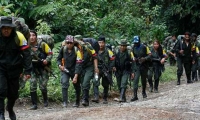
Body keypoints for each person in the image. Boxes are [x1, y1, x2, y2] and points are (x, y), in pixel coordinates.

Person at [0, 16, 32, 120]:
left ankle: (10, 108)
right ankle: (1, 113)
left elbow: (26, 54)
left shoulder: (19, 36)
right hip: (1, 69)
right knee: (1, 90)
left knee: (13, 93)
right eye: (4, 27)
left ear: (12, 28)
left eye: (8, 28)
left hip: (15, 69)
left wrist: (28, 70)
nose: (6, 30)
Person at [29, 30, 53, 110]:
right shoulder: (27, 46)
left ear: (36, 36)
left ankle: (45, 101)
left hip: (43, 68)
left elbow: (50, 53)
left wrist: (47, 60)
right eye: (30, 35)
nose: (31, 37)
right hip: (33, 68)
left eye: (33, 35)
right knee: (32, 85)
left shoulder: (42, 44)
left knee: (43, 86)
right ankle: (34, 104)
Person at [72, 35, 99, 106]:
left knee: (85, 82)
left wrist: (96, 68)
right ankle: (84, 98)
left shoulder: (88, 46)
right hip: (81, 67)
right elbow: (78, 62)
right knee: (82, 83)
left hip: (89, 66)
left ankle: (85, 100)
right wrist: (76, 75)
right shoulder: (76, 49)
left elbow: (95, 56)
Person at [57, 35, 81, 107]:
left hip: (75, 70)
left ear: (73, 43)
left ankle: (77, 102)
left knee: (77, 86)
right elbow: (58, 59)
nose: (69, 44)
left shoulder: (77, 50)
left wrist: (76, 76)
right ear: (66, 43)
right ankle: (65, 102)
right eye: (68, 43)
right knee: (64, 83)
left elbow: (78, 63)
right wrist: (59, 65)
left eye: (71, 43)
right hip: (65, 70)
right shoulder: (63, 49)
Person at [91, 36, 115, 104]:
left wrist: (109, 68)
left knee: (105, 84)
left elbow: (113, 60)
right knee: (95, 81)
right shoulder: (95, 51)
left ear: (104, 43)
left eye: (102, 43)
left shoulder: (108, 51)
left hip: (105, 70)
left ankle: (105, 98)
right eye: (99, 43)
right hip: (97, 69)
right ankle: (96, 97)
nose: (100, 44)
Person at [131, 36, 151, 101]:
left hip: (144, 66)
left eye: (137, 42)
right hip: (137, 66)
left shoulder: (144, 47)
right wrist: (134, 58)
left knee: (143, 80)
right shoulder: (133, 47)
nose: (135, 44)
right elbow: (132, 55)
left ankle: (143, 92)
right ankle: (135, 95)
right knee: (135, 80)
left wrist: (145, 59)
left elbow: (150, 55)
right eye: (134, 43)